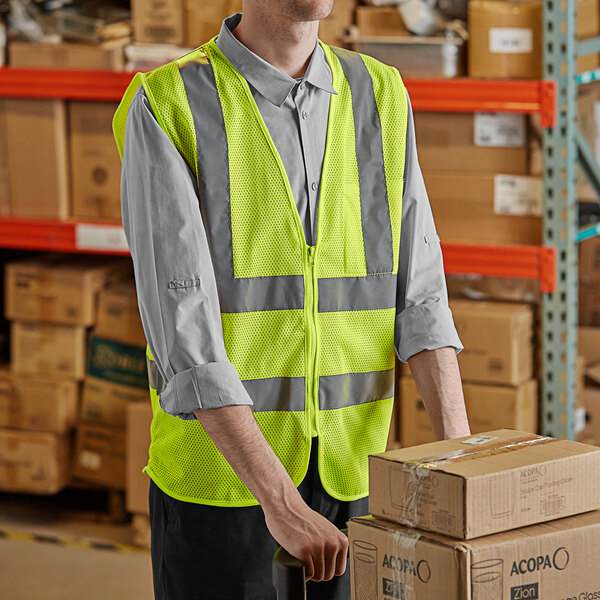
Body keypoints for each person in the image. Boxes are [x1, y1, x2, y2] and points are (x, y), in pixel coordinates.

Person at [114, 1, 471, 598]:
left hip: (351, 479)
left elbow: (422, 298)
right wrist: (277, 501)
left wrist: (462, 469)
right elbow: (186, 341)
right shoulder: (168, 103)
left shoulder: (379, 93)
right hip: (225, 488)